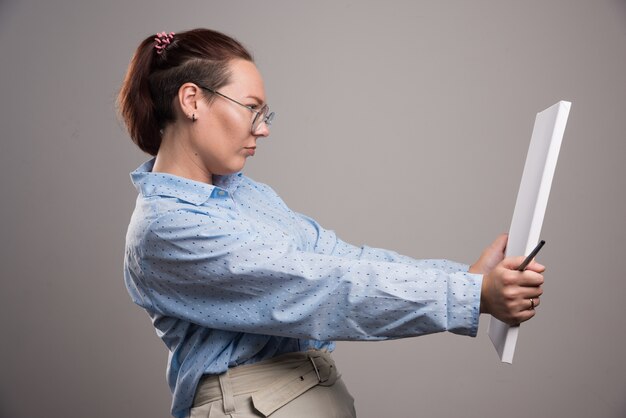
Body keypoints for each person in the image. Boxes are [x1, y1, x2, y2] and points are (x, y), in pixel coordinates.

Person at [118, 28, 545, 418]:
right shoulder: (167, 227)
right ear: (192, 100)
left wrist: (465, 279)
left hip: (310, 394)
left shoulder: (241, 192)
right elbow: (320, 288)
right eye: (251, 108)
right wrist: (472, 297)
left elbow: (339, 259)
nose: (262, 129)